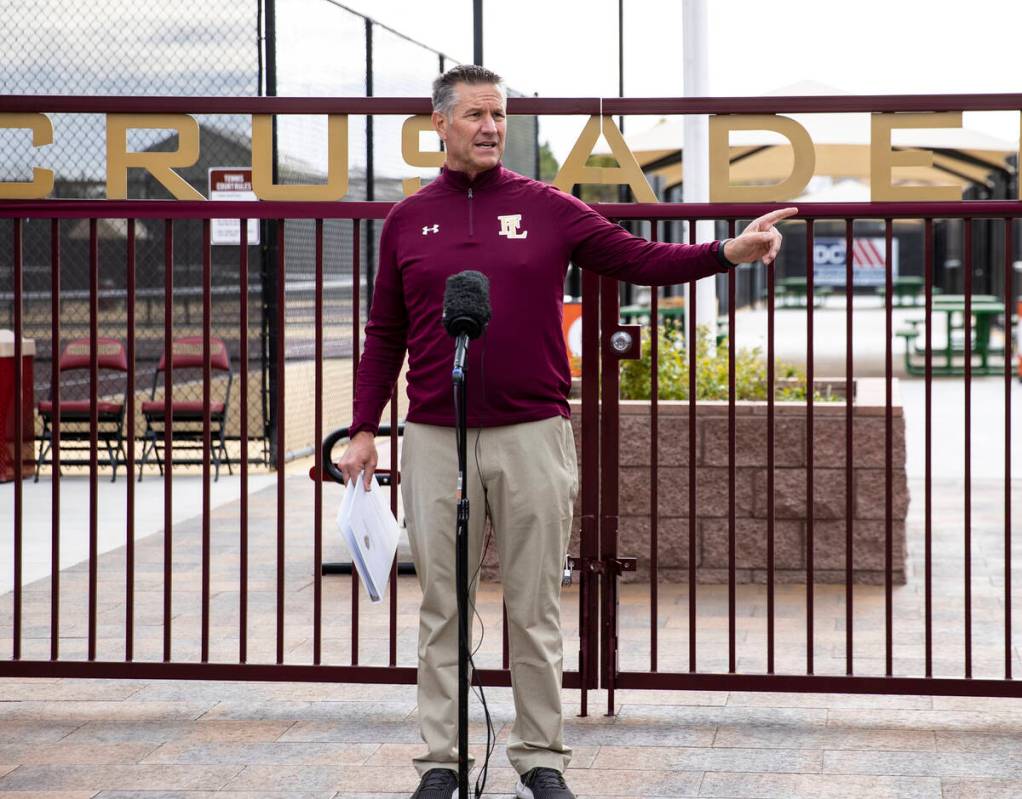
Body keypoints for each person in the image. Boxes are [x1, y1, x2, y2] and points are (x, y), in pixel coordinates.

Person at [339, 64, 795, 799]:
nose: (491, 126)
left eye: (500, 114)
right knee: (440, 608)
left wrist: (723, 253)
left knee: (534, 606)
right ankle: (440, 764)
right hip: (433, 433)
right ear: (440, 125)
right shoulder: (406, 220)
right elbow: (384, 331)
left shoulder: (546, 207)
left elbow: (638, 257)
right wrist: (364, 426)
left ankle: (540, 757)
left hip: (533, 434)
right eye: (477, 114)